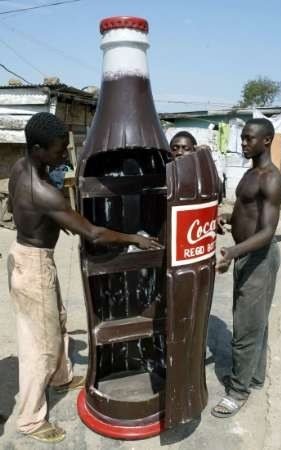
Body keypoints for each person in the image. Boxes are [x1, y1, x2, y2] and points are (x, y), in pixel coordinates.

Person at [7, 112, 160, 443]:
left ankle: (61, 377)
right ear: (36, 149)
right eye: (58, 150)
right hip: (34, 263)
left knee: (57, 321)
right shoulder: (43, 191)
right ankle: (31, 419)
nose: (64, 156)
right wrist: (134, 238)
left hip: (25, 255)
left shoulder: (21, 169)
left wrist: (47, 220)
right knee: (41, 346)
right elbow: (92, 232)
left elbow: (21, 209)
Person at [212, 118, 281, 418]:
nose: (243, 143)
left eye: (249, 139)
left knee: (245, 327)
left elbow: (268, 231)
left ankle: (238, 391)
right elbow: (246, 210)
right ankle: (254, 378)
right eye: (242, 138)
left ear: (266, 140)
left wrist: (232, 251)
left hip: (259, 258)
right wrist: (227, 218)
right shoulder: (250, 172)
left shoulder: (271, 178)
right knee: (257, 324)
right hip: (246, 256)